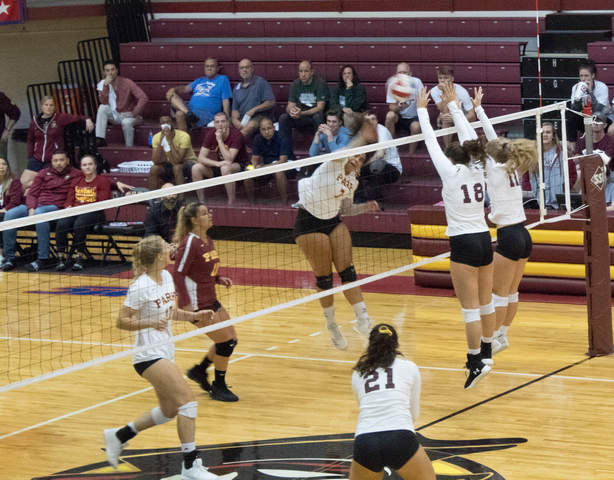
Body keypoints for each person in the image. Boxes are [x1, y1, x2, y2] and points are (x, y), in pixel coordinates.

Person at [103, 235, 218, 480]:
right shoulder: (140, 286)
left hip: (165, 350)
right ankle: (190, 465)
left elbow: (170, 312)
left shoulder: (165, 277)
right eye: (167, 247)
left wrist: (195, 316)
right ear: (158, 256)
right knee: (188, 402)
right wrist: (149, 322)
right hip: (147, 356)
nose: (171, 248)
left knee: (169, 410)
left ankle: (119, 436)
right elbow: (122, 321)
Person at [416, 86, 493, 389]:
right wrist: (456, 107)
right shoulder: (479, 169)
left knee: (470, 308)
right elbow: (470, 140)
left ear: (452, 159)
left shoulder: (450, 173)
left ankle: (474, 362)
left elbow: (431, 141)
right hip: (486, 239)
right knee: (485, 303)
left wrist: (423, 108)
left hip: (463, 243)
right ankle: (486, 354)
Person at [456, 86, 538, 358]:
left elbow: (473, 139)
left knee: (498, 295)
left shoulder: (492, 166)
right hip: (524, 235)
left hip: (509, 237)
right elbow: (493, 139)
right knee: (511, 293)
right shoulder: (510, 160)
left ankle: (492, 341)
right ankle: (502, 335)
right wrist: (478, 108)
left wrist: (460, 112)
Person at [293, 117, 380, 350]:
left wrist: (366, 207)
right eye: (356, 155)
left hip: (332, 220)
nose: (356, 159)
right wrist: (363, 137)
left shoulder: (352, 182)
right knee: (324, 278)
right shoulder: (334, 162)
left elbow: (347, 209)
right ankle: (331, 325)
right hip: (309, 222)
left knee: (348, 271)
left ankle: (363, 321)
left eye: (361, 159)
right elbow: (343, 151)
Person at [173, 202, 239, 402]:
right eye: (204, 213)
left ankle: (199, 371)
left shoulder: (207, 239)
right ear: (194, 220)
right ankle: (218, 386)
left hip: (210, 297)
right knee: (225, 342)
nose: (209, 215)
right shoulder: (189, 243)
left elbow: (202, 269)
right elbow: (177, 274)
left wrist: (218, 278)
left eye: (208, 211)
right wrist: (185, 304)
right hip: (197, 304)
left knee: (230, 340)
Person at [350, 324, 435, 480]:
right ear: (395, 344)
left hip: (366, 440)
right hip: (400, 437)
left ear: (370, 344)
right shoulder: (409, 367)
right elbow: (413, 415)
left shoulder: (358, 373)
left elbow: (363, 408)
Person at [2, 150, 83, 272]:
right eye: (55, 160)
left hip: (56, 208)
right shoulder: (43, 173)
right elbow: (32, 194)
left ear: (67, 161)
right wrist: (31, 208)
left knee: (40, 214)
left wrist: (116, 183)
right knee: (10, 214)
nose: (58, 163)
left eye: (61, 160)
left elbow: (94, 179)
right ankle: (9, 258)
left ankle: (43, 258)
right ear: (51, 162)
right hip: (36, 206)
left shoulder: (76, 174)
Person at [54, 155, 112, 272]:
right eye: (84, 165)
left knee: (79, 224)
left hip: (95, 213)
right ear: (81, 168)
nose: (88, 167)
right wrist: (68, 208)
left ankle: (79, 258)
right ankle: (61, 258)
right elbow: (69, 200)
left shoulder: (103, 181)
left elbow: (102, 202)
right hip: (76, 211)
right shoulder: (76, 181)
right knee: (61, 224)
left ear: (95, 166)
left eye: (90, 164)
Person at [24, 95, 94, 191]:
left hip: (52, 159)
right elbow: (30, 139)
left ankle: (39, 195)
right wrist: (30, 155)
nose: (49, 107)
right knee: (23, 183)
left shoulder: (60, 118)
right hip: (36, 159)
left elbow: (77, 117)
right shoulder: (35, 121)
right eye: (46, 105)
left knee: (46, 182)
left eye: (51, 105)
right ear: (42, 106)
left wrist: (88, 119)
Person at [192, 112, 249, 205]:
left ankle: (231, 203)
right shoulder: (211, 134)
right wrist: (216, 163)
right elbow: (201, 158)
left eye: (223, 121)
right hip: (221, 165)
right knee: (196, 167)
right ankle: (201, 202)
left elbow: (229, 159)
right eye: (217, 122)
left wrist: (219, 140)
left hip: (240, 166)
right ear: (214, 124)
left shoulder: (237, 135)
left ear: (227, 123)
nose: (220, 124)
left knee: (225, 167)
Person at [166, 57, 232, 132]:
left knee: (179, 114)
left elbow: (225, 100)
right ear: (204, 68)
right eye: (207, 66)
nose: (209, 68)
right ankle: (188, 114)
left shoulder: (222, 79)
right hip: (191, 110)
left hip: (206, 113)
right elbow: (185, 88)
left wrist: (226, 118)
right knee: (172, 96)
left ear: (217, 69)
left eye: (212, 66)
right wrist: (173, 89)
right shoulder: (200, 80)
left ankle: (184, 141)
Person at [278, 61, 330, 152]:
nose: (303, 74)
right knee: (283, 118)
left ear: (312, 72)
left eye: (306, 71)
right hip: (301, 117)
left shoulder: (320, 83)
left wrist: (301, 113)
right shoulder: (295, 84)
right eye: (300, 71)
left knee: (318, 116)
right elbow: (289, 106)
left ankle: (321, 149)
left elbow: (320, 107)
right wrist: (292, 112)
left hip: (315, 116)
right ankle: (285, 151)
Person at [95, 59, 148, 148]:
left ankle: (129, 147)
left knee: (126, 122)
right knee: (102, 107)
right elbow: (103, 101)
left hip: (130, 115)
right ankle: (100, 138)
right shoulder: (102, 84)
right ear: (104, 73)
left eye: (112, 70)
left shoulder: (127, 82)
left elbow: (143, 97)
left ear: (117, 71)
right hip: (116, 115)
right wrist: (106, 86)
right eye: (107, 70)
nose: (110, 73)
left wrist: (134, 112)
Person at [524, 122, 577, 208]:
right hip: (536, 204)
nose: (544, 135)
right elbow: (525, 177)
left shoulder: (563, 154)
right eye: (542, 133)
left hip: (557, 204)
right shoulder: (531, 155)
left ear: (553, 135)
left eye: (548, 132)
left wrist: (562, 189)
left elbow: (572, 175)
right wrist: (529, 195)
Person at [244, 118, 296, 205]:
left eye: (269, 128)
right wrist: (253, 167)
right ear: (260, 130)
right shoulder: (257, 139)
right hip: (267, 167)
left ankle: (285, 202)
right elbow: (254, 160)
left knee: (278, 172)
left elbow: (283, 161)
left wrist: (262, 168)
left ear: (274, 128)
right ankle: (252, 202)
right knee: (247, 170)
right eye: (263, 129)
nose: (267, 132)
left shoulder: (282, 137)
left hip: (287, 167)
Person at [566, 59, 613, 152]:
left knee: (597, 118)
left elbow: (599, 111)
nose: (583, 79)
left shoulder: (602, 87)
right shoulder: (575, 87)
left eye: (586, 76)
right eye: (581, 76)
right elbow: (574, 109)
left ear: (593, 75)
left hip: (602, 120)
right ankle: (572, 150)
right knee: (570, 117)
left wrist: (590, 93)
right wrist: (578, 97)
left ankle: (603, 151)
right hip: (585, 118)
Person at [354, 117, 402, 204]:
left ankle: (376, 200)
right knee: (353, 169)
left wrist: (363, 165)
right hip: (373, 166)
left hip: (392, 169)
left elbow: (380, 154)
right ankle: (359, 199)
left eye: (372, 119)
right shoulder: (363, 132)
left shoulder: (382, 131)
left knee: (376, 165)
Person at [148, 115, 198, 191]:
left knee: (177, 167)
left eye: (168, 122)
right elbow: (155, 161)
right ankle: (152, 198)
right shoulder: (156, 137)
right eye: (163, 122)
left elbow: (178, 161)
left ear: (173, 124)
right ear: (159, 126)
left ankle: (181, 199)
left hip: (189, 163)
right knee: (154, 168)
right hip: (172, 162)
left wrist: (169, 141)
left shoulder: (184, 136)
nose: (166, 124)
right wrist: (159, 143)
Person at [429, 65, 475, 148]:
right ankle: (448, 149)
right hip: (448, 114)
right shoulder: (434, 91)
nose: (442, 80)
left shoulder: (462, 92)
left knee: (446, 116)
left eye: (445, 78)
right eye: (440, 78)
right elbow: (443, 110)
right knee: (445, 117)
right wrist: (444, 92)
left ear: (452, 79)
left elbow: (472, 116)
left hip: (462, 114)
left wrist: (457, 118)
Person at [384, 63, 424, 155]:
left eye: (404, 72)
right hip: (400, 117)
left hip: (414, 117)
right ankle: (391, 148)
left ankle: (411, 153)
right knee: (390, 115)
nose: (402, 75)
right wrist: (397, 108)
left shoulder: (416, 83)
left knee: (416, 126)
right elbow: (391, 107)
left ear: (410, 74)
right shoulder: (393, 84)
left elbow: (423, 103)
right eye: (400, 72)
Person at [231, 59, 276, 138]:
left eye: (247, 67)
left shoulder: (261, 82)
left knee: (250, 125)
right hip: (242, 117)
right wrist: (235, 120)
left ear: (252, 69)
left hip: (259, 116)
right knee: (222, 123)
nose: (244, 70)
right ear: (239, 70)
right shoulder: (236, 88)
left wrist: (254, 109)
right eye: (242, 68)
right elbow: (235, 109)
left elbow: (271, 102)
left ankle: (233, 146)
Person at [0, 157, 23, 265]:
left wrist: (5, 209)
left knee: (2, 218)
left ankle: (2, 256)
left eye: (4, 164)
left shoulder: (14, 182)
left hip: (11, 210)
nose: (1, 167)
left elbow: (15, 201)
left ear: (8, 167)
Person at [0, 92, 20, 161]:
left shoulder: (1, 97)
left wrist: (7, 130)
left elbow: (15, 112)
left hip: (0, 139)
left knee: (2, 167)